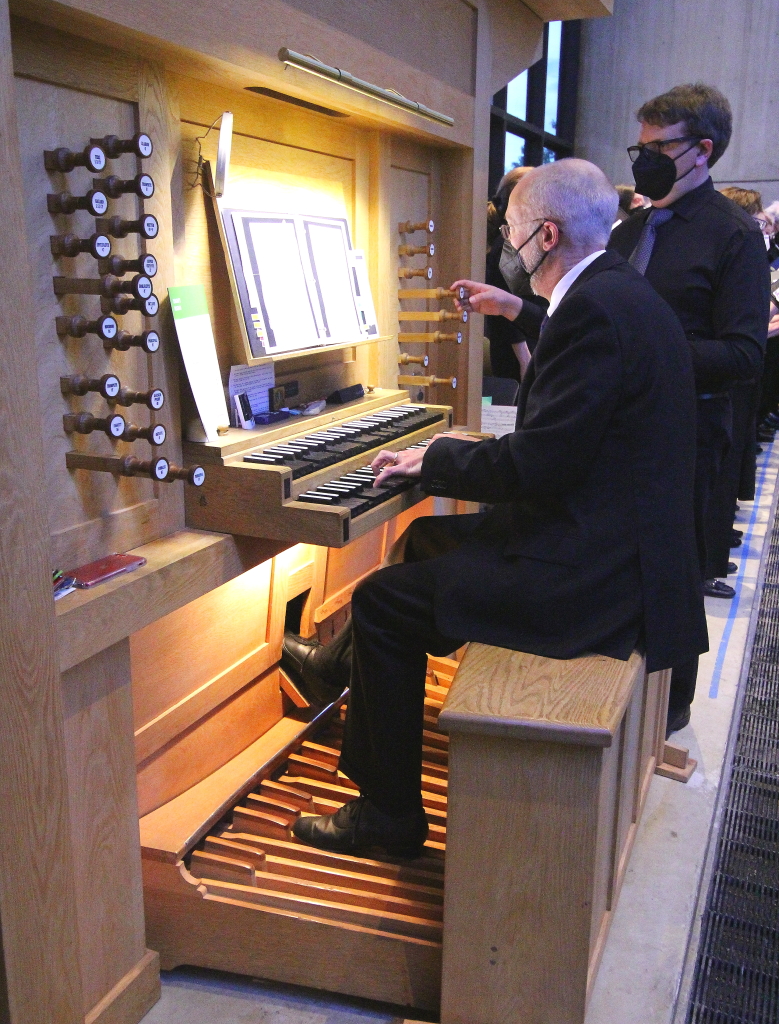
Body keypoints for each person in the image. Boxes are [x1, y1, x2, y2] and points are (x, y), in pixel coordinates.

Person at [282, 158, 707, 857]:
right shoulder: (616, 289)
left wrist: (439, 457)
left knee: (383, 602)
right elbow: (573, 416)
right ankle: (335, 669)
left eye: (509, 228)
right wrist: (511, 322)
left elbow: (538, 466)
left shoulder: (594, 311)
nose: (504, 242)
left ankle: (387, 816)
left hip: (596, 581)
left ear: (546, 235)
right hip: (617, 542)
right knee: (424, 541)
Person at [608, 83, 769, 736]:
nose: (643, 159)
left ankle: (668, 715)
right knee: (620, 566)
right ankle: (616, 699)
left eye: (658, 148)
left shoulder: (734, 235)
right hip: (620, 428)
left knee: (674, 574)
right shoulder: (630, 229)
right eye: (639, 146)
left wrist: (649, 351)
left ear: (701, 150)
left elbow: (743, 353)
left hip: (690, 433)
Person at [485, 166, 547, 382]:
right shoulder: (508, 243)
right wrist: (525, 360)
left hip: (525, 345)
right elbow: (505, 308)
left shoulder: (514, 240)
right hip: (518, 352)